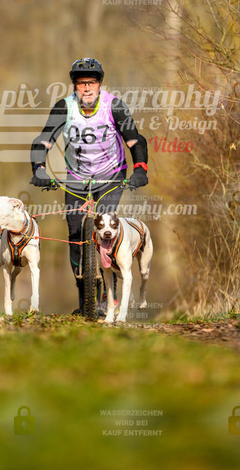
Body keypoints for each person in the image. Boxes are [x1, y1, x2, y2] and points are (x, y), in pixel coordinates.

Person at [30, 58, 148, 314]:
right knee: (75, 233)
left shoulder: (114, 106)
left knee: (105, 228)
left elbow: (135, 140)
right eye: (81, 83)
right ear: (74, 85)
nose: (86, 88)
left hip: (111, 175)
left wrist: (140, 168)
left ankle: (108, 297)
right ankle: (85, 298)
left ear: (99, 84)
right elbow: (43, 141)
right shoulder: (65, 108)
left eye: (92, 82)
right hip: (77, 177)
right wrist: (38, 168)